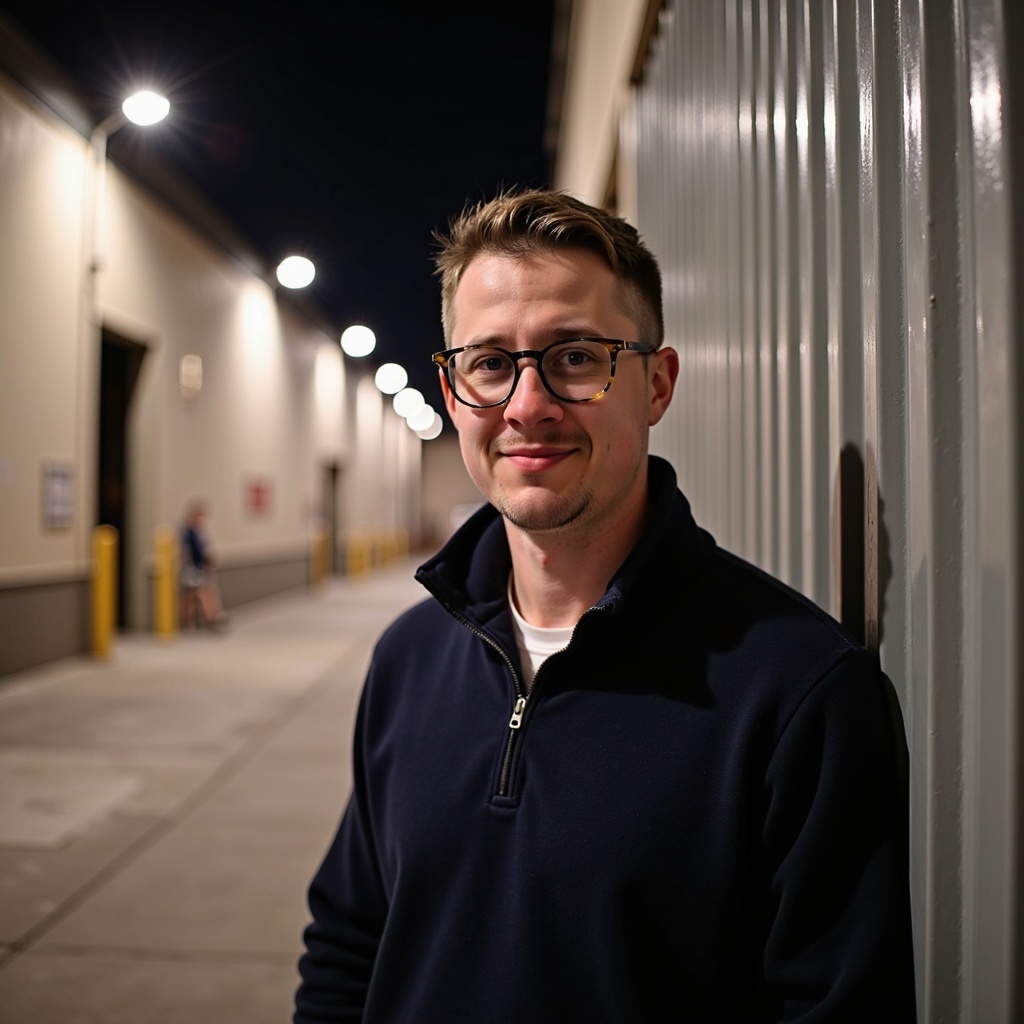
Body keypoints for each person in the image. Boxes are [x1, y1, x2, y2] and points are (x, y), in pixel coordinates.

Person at [294, 190, 916, 1022]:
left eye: (576, 357)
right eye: (488, 363)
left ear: (656, 386)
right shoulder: (409, 660)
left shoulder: (799, 692)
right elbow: (348, 944)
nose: (526, 406)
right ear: (452, 392)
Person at [179, 500, 227, 629]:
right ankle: (211, 618)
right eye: (200, 516)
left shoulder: (197, 532)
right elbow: (194, 552)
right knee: (205, 592)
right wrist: (204, 560)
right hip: (193, 568)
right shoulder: (189, 533)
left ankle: (188, 621)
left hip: (197, 567)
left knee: (190, 597)